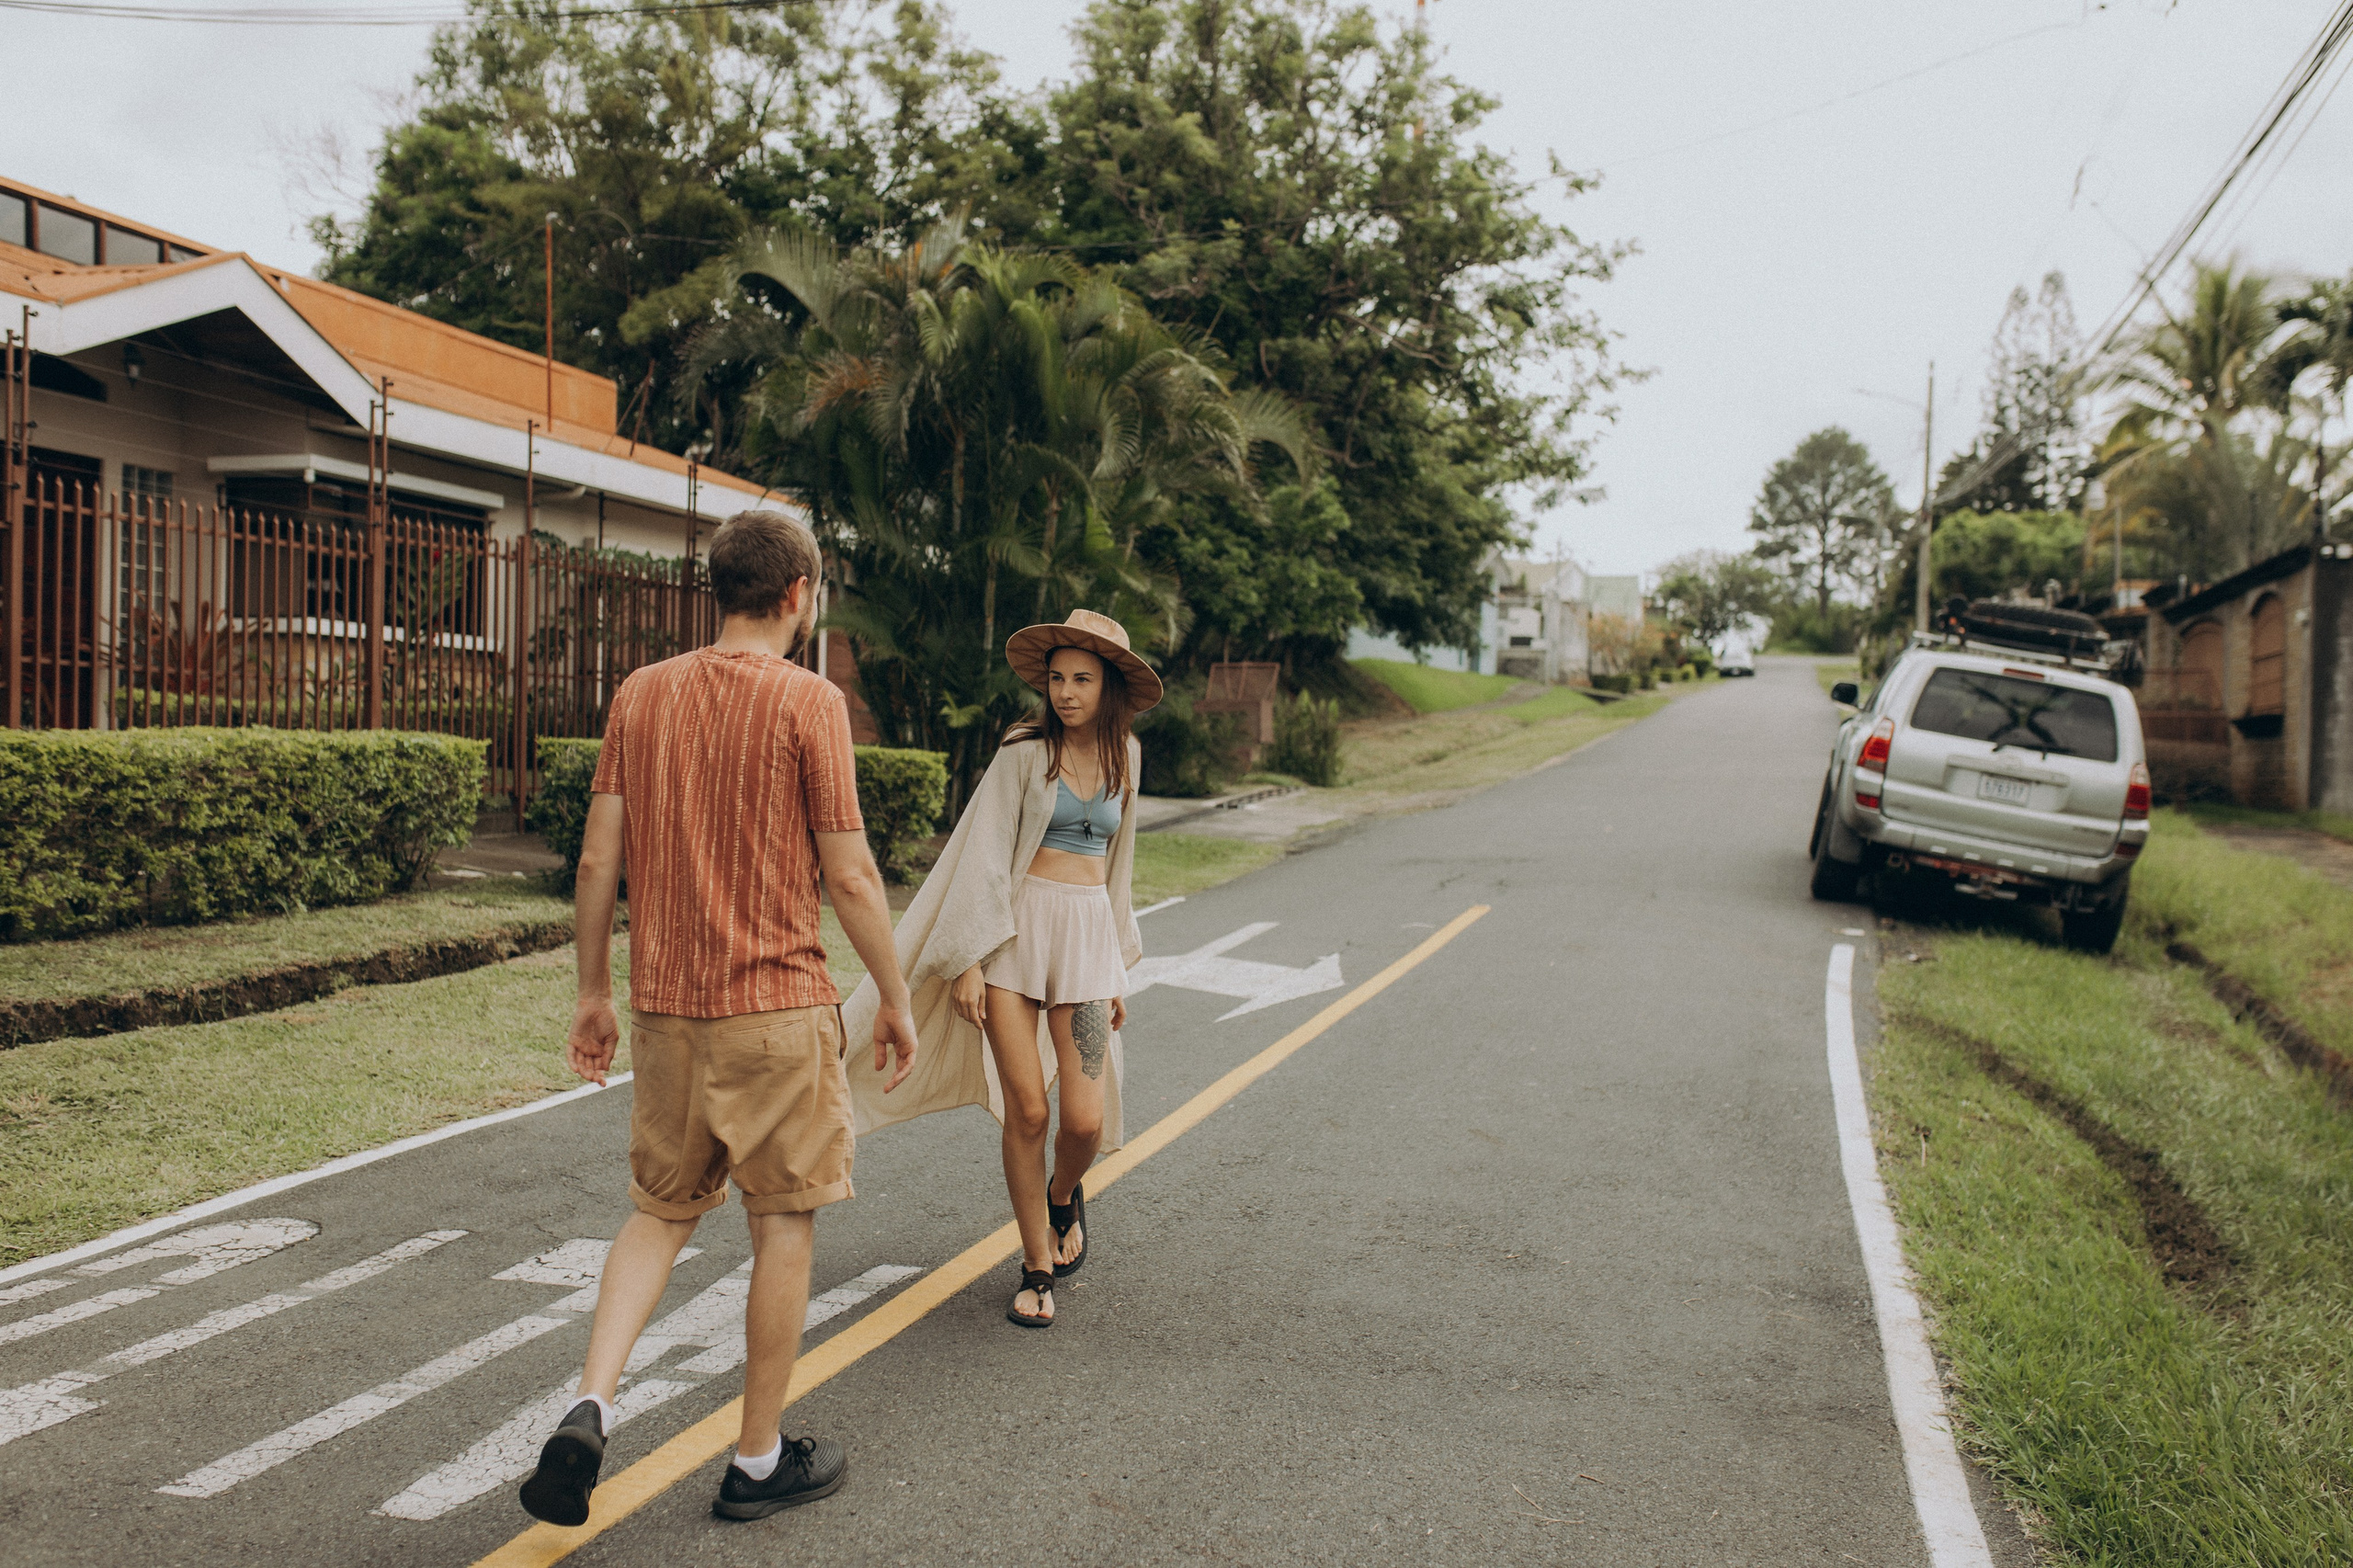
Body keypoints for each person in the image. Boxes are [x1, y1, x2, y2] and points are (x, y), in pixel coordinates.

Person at [518, 510, 920, 1528]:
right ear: (797, 593)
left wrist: (593, 993)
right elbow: (851, 872)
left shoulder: (640, 694)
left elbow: (599, 859)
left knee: (659, 1213)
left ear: (720, 589)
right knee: (782, 1221)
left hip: (665, 1009)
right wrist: (898, 996)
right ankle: (755, 1456)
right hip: (776, 1009)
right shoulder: (809, 701)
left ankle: (590, 1400)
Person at [842, 609, 1160, 1328]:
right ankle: (1035, 1267)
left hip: (1083, 943)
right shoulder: (1022, 753)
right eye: (1057, 679)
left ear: (1109, 686)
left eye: (1082, 679)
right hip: (1013, 941)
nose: (1067, 692)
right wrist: (968, 961)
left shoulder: (1127, 758)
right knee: (1029, 1109)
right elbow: (984, 859)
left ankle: (1061, 1193)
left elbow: (1121, 869)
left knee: (1081, 1120)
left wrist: (1114, 966)